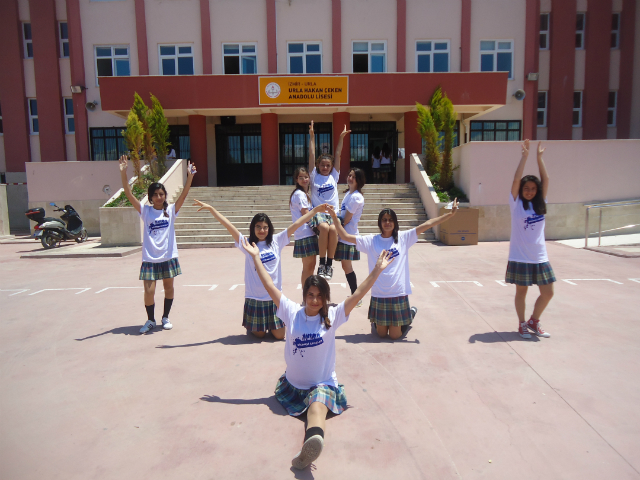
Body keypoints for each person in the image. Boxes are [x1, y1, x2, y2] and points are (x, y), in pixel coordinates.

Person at [240, 237, 394, 470]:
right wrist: (254, 257)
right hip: (293, 385)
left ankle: (311, 444)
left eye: (319, 296)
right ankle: (311, 440)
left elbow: (359, 293)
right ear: (304, 296)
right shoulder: (291, 312)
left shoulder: (333, 316)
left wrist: (376, 270)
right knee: (312, 404)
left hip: (322, 383)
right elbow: (268, 284)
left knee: (317, 406)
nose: (314, 300)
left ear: (325, 298)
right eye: (310, 295)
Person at [192, 199, 329, 339]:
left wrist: (315, 211)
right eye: (258, 227)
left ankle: (270, 324)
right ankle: (256, 327)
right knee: (259, 335)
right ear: (253, 228)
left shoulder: (277, 240)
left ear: (269, 228)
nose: (262, 230)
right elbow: (228, 225)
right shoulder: (246, 244)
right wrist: (211, 209)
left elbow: (297, 223)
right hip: (256, 298)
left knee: (280, 336)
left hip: (274, 297)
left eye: (265, 227)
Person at [329, 201, 459, 339]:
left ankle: (410, 314)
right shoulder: (371, 240)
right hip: (379, 294)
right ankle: (378, 323)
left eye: (390, 220)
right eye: (384, 220)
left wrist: (450, 215)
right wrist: (333, 216)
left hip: (398, 292)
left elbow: (428, 224)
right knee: (381, 334)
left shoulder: (404, 238)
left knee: (395, 336)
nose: (387, 223)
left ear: (395, 222)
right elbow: (344, 236)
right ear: (380, 223)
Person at [117, 155, 196, 334]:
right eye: (155, 194)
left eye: (161, 194)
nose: (159, 197)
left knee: (169, 288)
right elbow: (128, 194)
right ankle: (150, 320)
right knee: (149, 291)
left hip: (168, 257)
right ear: (150, 197)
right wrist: (123, 173)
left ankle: (165, 317)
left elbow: (184, 194)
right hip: (150, 259)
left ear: (164, 196)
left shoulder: (170, 210)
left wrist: (190, 177)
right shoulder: (145, 211)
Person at [506, 140, 554, 339]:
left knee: (548, 292)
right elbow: (516, 179)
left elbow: (546, 179)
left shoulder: (540, 203)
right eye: (527, 188)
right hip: (520, 256)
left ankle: (534, 320)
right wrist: (524, 157)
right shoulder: (516, 204)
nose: (529, 191)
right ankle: (522, 324)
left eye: (533, 188)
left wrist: (539, 158)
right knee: (521, 293)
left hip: (540, 256)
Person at [307, 120, 350, 280]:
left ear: (332, 167)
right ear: (318, 165)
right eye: (323, 165)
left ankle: (329, 265)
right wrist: (312, 135)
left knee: (333, 230)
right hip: (318, 214)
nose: (325, 167)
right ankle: (321, 263)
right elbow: (311, 154)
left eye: (328, 165)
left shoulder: (334, 176)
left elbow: (338, 154)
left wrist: (341, 138)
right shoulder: (313, 176)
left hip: (334, 214)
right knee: (325, 228)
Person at [334, 168, 365, 305]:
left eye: (353, 176)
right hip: (343, 235)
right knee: (346, 266)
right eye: (349, 175)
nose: (349, 178)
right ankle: (355, 296)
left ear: (358, 180)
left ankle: (356, 297)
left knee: (347, 267)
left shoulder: (356, 197)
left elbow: (346, 219)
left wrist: (333, 227)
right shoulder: (348, 194)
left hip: (348, 235)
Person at [290, 166, 318, 286]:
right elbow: (306, 214)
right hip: (304, 234)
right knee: (308, 267)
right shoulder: (299, 194)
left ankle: (308, 293)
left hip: (308, 234)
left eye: (306, 177)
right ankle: (305, 297)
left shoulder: (305, 194)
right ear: (296, 179)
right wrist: (319, 228)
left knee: (311, 266)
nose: (304, 179)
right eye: (301, 177)